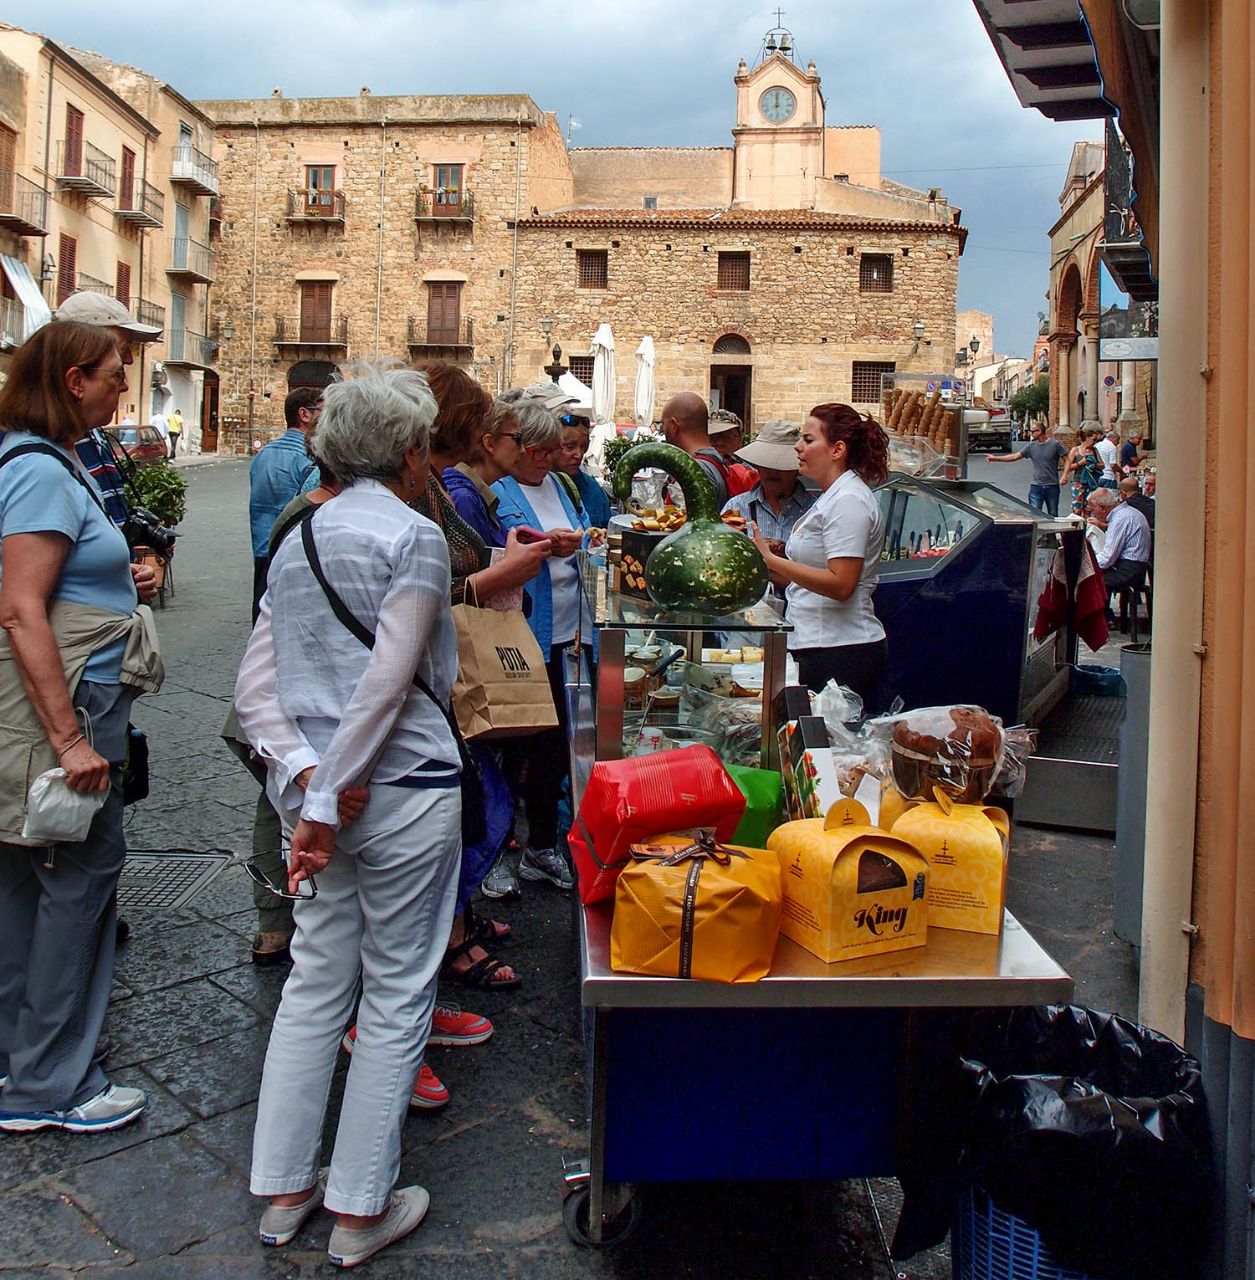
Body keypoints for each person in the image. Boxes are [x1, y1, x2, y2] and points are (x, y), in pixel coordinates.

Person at [235, 364, 460, 1268]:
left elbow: (256, 688)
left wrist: (305, 780)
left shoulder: (300, 535)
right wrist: (329, 797)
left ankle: (283, 1192)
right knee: (399, 989)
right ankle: (361, 1208)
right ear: (409, 451)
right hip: (403, 787)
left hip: (319, 797)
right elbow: (391, 678)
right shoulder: (415, 537)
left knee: (315, 981)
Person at [0, 322, 162, 1135]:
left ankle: (22, 1060)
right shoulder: (36, 470)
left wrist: (129, 566)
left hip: (60, 699)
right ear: (71, 380)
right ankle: (50, 1084)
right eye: (112, 375)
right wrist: (69, 741)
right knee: (76, 879)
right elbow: (22, 606)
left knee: (28, 880)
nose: (121, 389)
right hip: (66, 708)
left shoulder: (47, 460)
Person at [492, 388, 589, 893]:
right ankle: (498, 851)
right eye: (546, 450)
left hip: (570, 635)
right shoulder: (502, 491)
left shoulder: (564, 487)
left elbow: (586, 533)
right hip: (525, 634)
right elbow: (498, 554)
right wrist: (547, 547)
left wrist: (582, 542)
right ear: (521, 447)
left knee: (554, 747)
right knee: (516, 746)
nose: (556, 457)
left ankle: (541, 846)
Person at [751, 403, 889, 700]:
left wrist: (772, 559)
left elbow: (841, 585)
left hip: (840, 649)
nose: (798, 448)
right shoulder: (835, 495)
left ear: (837, 449)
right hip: (816, 643)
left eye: (808, 440)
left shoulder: (849, 500)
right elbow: (811, 578)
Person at [720, 421, 817, 610]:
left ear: (795, 468)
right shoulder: (736, 508)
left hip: (802, 620)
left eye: (780, 464)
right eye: (766, 463)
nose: (772, 471)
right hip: (744, 620)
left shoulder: (815, 511)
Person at [248, 387, 322, 619]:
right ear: (304, 414)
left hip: (261, 551)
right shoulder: (308, 457)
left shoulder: (263, 454)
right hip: (292, 557)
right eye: (322, 410)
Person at [659, 391, 737, 506]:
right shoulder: (717, 461)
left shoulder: (693, 471)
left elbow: (686, 522)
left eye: (663, 425)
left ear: (673, 425)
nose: (662, 431)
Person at [984, 422, 1067, 516]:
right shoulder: (1031, 447)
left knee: (1053, 514)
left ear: (1039, 431)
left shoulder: (1054, 445)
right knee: (1035, 514)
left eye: (1032, 432)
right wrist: (995, 458)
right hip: (1036, 486)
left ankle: (1053, 531)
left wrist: (1065, 475)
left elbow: (1067, 459)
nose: (1030, 434)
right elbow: (1015, 457)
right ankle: (1037, 531)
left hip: (1052, 485)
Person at [553, 412, 611, 529]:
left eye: (583, 447)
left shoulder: (592, 489)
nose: (579, 454)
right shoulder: (537, 487)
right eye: (570, 447)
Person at [1098, 478, 1153, 601]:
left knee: (1092, 581)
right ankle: (1105, 615)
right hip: (1138, 567)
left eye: (1093, 509)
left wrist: (1089, 564)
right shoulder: (1126, 513)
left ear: (1102, 508)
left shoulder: (1121, 518)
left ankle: (1101, 617)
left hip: (1130, 569)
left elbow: (1107, 558)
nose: (1093, 513)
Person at [708, 408, 759, 493]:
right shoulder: (698, 467)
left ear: (739, 440)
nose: (720, 443)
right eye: (714, 438)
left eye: (727, 437)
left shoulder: (751, 473)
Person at [1061, 427, 1103, 515]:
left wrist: (1094, 465)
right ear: (1087, 438)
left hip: (1091, 483)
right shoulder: (1076, 450)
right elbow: (1068, 466)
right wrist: (1080, 463)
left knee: (1088, 509)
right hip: (1079, 482)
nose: (1095, 442)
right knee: (1077, 510)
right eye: (1094, 439)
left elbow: (1102, 465)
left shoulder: (1094, 451)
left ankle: (1087, 527)